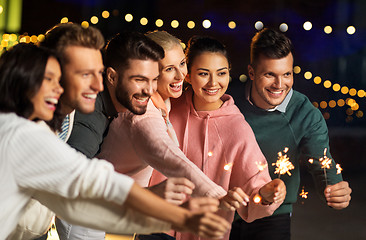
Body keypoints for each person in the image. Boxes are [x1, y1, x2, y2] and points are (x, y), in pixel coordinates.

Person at [0, 43, 230, 240]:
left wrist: (172, 219)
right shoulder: (22, 135)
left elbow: (77, 207)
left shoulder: (36, 129)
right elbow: (91, 181)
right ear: (21, 83)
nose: (59, 88)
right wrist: (176, 215)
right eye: (49, 80)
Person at [55, 31, 202, 239]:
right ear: (112, 76)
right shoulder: (93, 117)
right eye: (140, 79)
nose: (149, 90)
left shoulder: (147, 105)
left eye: (153, 79)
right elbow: (72, 181)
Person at [156, 36, 287, 240]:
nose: (213, 82)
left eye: (221, 73)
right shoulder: (167, 107)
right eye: (203, 74)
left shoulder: (237, 128)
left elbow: (253, 191)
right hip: (154, 227)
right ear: (188, 75)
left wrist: (268, 194)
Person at [229, 28, 352, 240]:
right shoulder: (227, 100)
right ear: (251, 72)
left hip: (274, 212)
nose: (280, 85)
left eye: (287, 74)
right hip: (224, 207)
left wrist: (334, 188)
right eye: (270, 74)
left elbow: (321, 162)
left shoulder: (305, 114)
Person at [98, 30, 226, 199]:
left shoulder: (162, 105)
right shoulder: (142, 115)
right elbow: (172, 158)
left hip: (125, 210)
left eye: (182, 63)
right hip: (103, 214)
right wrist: (217, 195)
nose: (181, 75)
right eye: (169, 69)